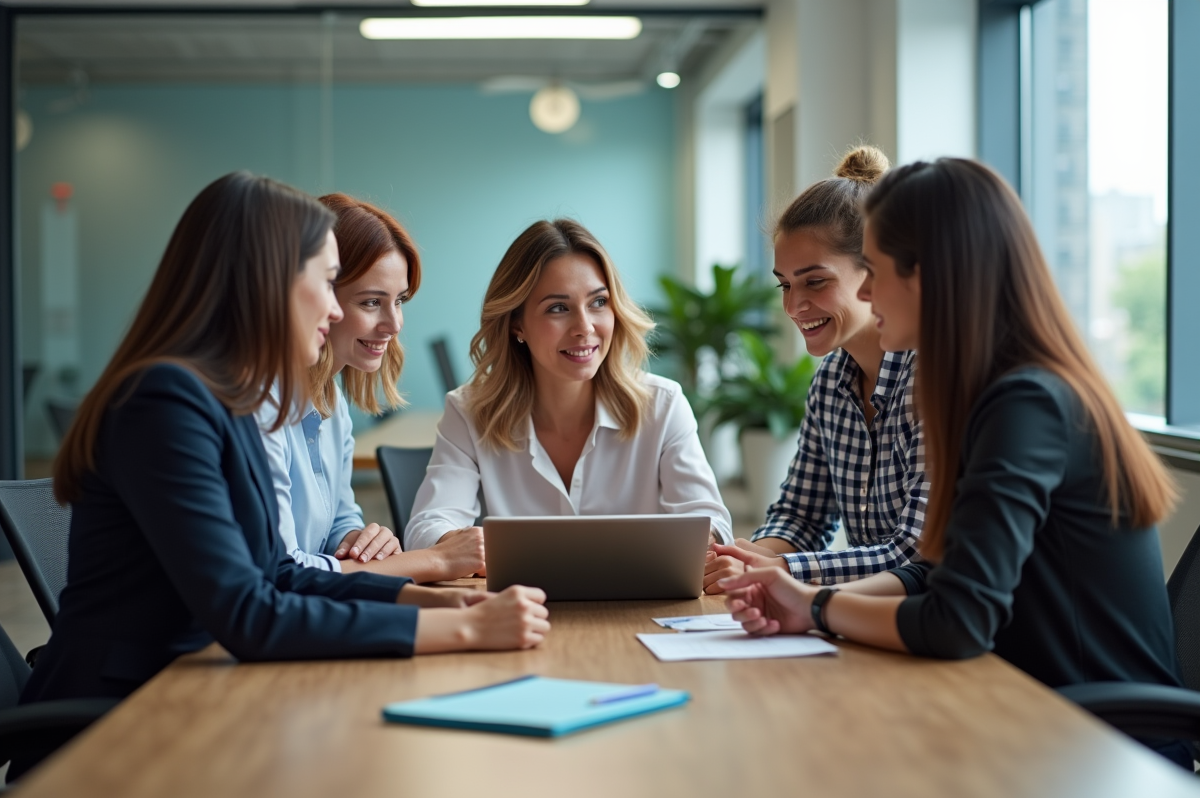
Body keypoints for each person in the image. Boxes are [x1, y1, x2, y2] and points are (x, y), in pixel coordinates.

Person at [13, 174, 549, 779]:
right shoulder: (163, 401)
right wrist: (464, 626)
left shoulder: (224, 399)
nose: (333, 307)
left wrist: (432, 602)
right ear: (264, 283)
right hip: (122, 724)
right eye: (325, 282)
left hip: (196, 693)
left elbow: (281, 573)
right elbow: (250, 612)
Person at [717, 158, 1190, 769]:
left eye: (876, 271)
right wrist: (798, 600)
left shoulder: (1027, 402)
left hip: (1100, 745)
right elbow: (937, 572)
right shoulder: (983, 390)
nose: (864, 292)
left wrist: (816, 606)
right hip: (1022, 710)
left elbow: (958, 619)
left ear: (932, 276)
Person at [404, 218, 732, 560]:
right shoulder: (470, 411)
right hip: (519, 606)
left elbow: (713, 523)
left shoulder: (662, 405)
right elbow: (427, 528)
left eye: (598, 302)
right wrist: (462, 544)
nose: (585, 327)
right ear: (517, 323)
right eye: (558, 308)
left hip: (634, 608)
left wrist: (702, 538)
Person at [704, 146, 927, 593]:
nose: (793, 305)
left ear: (874, 270)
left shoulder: (929, 375)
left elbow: (916, 554)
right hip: (866, 620)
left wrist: (781, 572)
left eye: (815, 281)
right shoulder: (830, 382)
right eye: (785, 284)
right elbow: (801, 515)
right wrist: (744, 557)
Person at [255, 193, 483, 582]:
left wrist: (360, 539)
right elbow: (280, 571)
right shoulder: (262, 401)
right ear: (319, 296)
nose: (394, 325)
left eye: (400, 301)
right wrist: (433, 560)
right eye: (371, 302)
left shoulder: (332, 402)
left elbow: (337, 523)